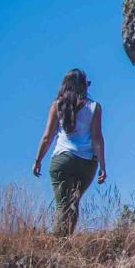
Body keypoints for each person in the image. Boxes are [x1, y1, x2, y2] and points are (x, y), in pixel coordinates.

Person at [33, 68, 106, 235]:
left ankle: (58, 244)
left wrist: (38, 160)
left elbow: (47, 137)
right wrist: (103, 165)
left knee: (63, 204)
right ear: (82, 86)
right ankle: (64, 242)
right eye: (87, 83)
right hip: (87, 164)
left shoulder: (57, 105)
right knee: (73, 203)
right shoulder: (95, 107)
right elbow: (97, 138)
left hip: (62, 160)